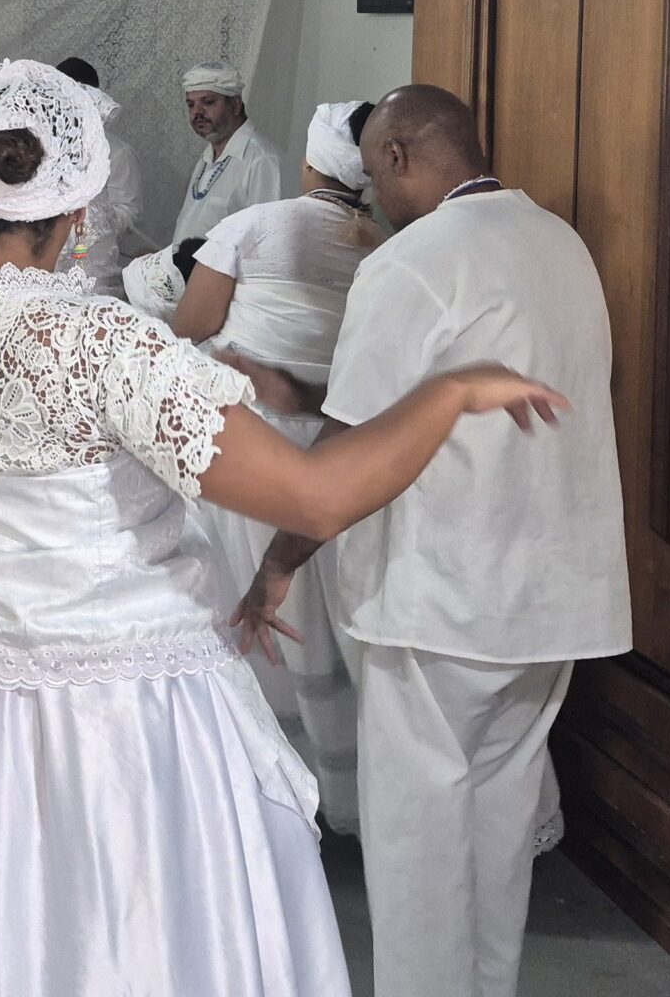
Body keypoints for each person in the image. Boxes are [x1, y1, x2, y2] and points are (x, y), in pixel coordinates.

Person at [0, 60, 572, 996]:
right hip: (107, 721)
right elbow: (315, 496)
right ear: (79, 214)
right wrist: (446, 393)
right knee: (110, 937)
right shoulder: (112, 348)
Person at [239, 85, 630, 997]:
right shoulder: (558, 240)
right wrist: (298, 394)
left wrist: (274, 567)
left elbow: (347, 448)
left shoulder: (414, 262)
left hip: (443, 594)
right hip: (553, 593)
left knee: (418, 845)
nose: (374, 193)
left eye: (376, 172)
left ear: (405, 156)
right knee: (498, 832)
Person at [166, 99, 379, 833]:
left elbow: (191, 324)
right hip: (339, 445)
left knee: (239, 607)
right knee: (323, 618)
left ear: (312, 157)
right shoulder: (379, 244)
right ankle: (345, 794)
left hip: (250, 445)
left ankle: (260, 787)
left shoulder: (256, 225)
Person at [54, 57, 146, 292]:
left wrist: (92, 220)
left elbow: (129, 211)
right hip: (47, 264)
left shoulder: (117, 152)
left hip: (93, 270)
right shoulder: (45, 149)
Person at [170, 63, 286, 241]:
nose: (197, 112)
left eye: (208, 102)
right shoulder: (207, 155)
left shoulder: (260, 158)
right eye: (191, 105)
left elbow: (266, 239)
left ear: (236, 105)